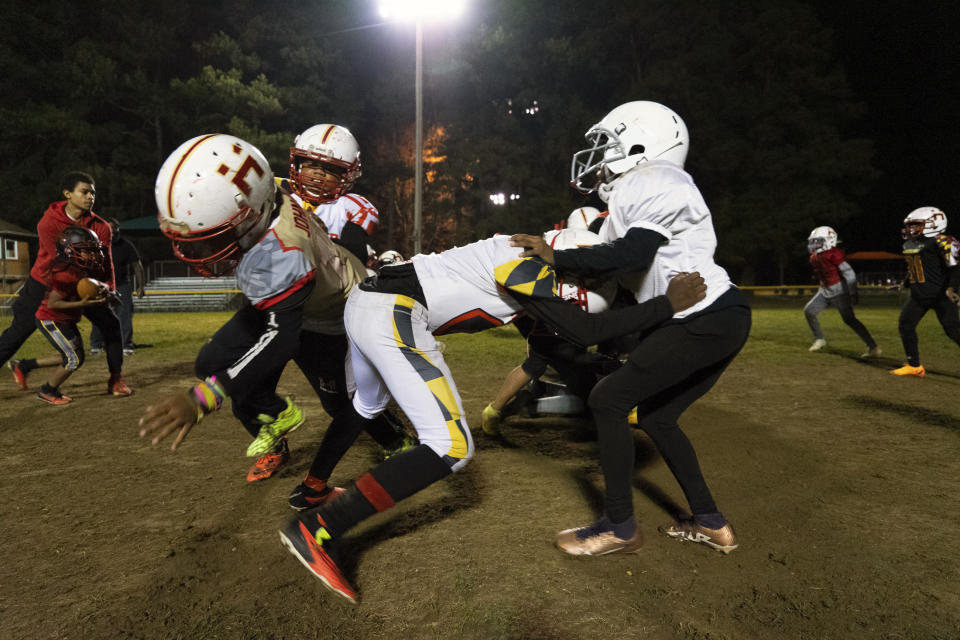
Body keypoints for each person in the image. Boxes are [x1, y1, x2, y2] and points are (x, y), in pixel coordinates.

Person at [273, 228, 706, 603]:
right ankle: (319, 527)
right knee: (451, 447)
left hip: (368, 304)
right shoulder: (525, 263)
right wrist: (666, 305)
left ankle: (313, 489)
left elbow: (560, 344)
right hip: (394, 310)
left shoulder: (532, 253)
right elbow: (581, 331)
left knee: (366, 406)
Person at [512, 100, 752, 557]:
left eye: (609, 144)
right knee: (658, 417)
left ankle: (619, 527)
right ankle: (712, 525)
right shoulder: (635, 193)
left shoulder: (656, 178)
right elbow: (620, 271)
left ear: (645, 143)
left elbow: (632, 255)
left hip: (702, 315)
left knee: (608, 400)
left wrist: (556, 256)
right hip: (713, 316)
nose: (599, 156)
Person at [138, 134, 407, 491]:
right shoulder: (268, 191)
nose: (204, 248)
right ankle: (278, 416)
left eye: (214, 235)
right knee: (212, 362)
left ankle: (398, 444)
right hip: (296, 292)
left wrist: (204, 398)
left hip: (331, 314)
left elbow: (283, 339)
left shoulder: (281, 252)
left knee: (340, 404)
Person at [5, 172, 132, 397]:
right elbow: (62, 264)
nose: (90, 196)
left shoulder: (102, 227)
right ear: (67, 194)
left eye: (93, 192)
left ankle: (116, 380)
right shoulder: (49, 222)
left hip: (84, 282)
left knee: (111, 326)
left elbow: (106, 261)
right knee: (18, 333)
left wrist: (108, 288)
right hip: (46, 283)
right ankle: (31, 372)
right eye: (84, 191)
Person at [281, 124, 380, 264]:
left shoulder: (352, 206)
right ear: (297, 164)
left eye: (330, 169)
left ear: (347, 175)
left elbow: (355, 256)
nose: (319, 173)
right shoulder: (277, 193)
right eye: (311, 165)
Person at [889, 207, 960, 377]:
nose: (911, 228)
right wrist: (904, 283)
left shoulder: (942, 241)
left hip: (941, 295)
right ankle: (915, 366)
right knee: (905, 324)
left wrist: (952, 288)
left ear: (935, 223)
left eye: (916, 224)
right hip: (919, 295)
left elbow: (956, 268)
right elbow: (915, 267)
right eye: (910, 225)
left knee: (954, 331)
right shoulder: (910, 243)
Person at [803, 226, 881, 357]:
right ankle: (819, 339)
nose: (814, 244)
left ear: (830, 240)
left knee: (849, 320)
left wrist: (852, 292)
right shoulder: (814, 257)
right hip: (825, 290)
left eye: (818, 241)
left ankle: (873, 347)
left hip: (839, 291)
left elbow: (849, 273)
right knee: (809, 311)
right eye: (813, 241)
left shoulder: (833, 254)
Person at [90, 218, 145, 355]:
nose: (112, 233)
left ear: (118, 230)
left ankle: (125, 345)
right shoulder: (96, 245)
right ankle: (97, 344)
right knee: (99, 315)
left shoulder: (125, 245)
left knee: (124, 315)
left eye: (114, 230)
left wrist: (141, 286)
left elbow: (137, 266)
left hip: (122, 285)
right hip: (101, 285)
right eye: (109, 230)